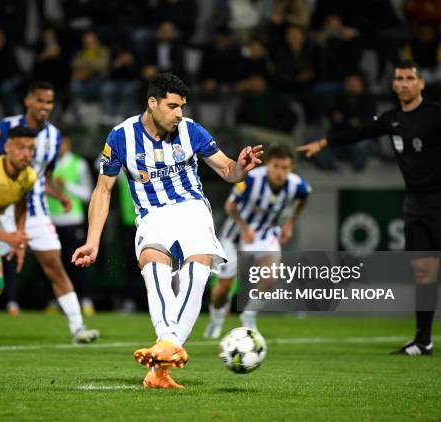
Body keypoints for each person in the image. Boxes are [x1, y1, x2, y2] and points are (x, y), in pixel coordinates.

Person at [71, 73, 263, 388]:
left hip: (191, 209)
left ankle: (166, 343)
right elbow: (102, 191)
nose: (179, 114)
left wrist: (241, 166)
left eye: (182, 107)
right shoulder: (121, 137)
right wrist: (93, 240)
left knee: (198, 267)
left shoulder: (191, 132)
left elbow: (228, 170)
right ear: (152, 103)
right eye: (172, 106)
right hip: (151, 214)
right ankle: (165, 358)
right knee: (152, 262)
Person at [298, 60, 441, 358]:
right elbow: (360, 132)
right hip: (414, 202)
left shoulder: (438, 114)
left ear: (421, 83)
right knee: (424, 273)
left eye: (410, 78)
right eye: (399, 78)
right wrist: (322, 144)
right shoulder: (393, 118)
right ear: (394, 84)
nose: (404, 83)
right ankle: (423, 341)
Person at [0, 81, 99, 345]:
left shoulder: (54, 136)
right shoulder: (6, 127)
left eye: (49, 102)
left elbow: (44, 177)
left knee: (55, 265)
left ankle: (78, 327)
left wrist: (60, 196)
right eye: (40, 101)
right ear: (28, 101)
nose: (44, 107)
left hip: (36, 211)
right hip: (2, 208)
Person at [204, 145, 311, 338]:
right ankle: (217, 316)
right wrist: (243, 227)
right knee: (223, 288)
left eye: (285, 168)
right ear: (268, 165)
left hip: (266, 233)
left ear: (291, 168)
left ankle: (249, 315)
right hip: (236, 234)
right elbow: (230, 206)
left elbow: (304, 196)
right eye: (276, 166)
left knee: (271, 275)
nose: (280, 172)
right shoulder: (252, 179)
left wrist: (289, 223)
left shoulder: (296, 185)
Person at [47, 135, 95, 316]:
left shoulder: (79, 164)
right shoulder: (48, 165)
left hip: (73, 221)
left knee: (78, 264)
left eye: (63, 143)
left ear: (69, 143)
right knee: (53, 264)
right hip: (52, 221)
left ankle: (86, 300)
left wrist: (66, 185)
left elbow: (87, 194)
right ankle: (55, 301)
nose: (60, 147)